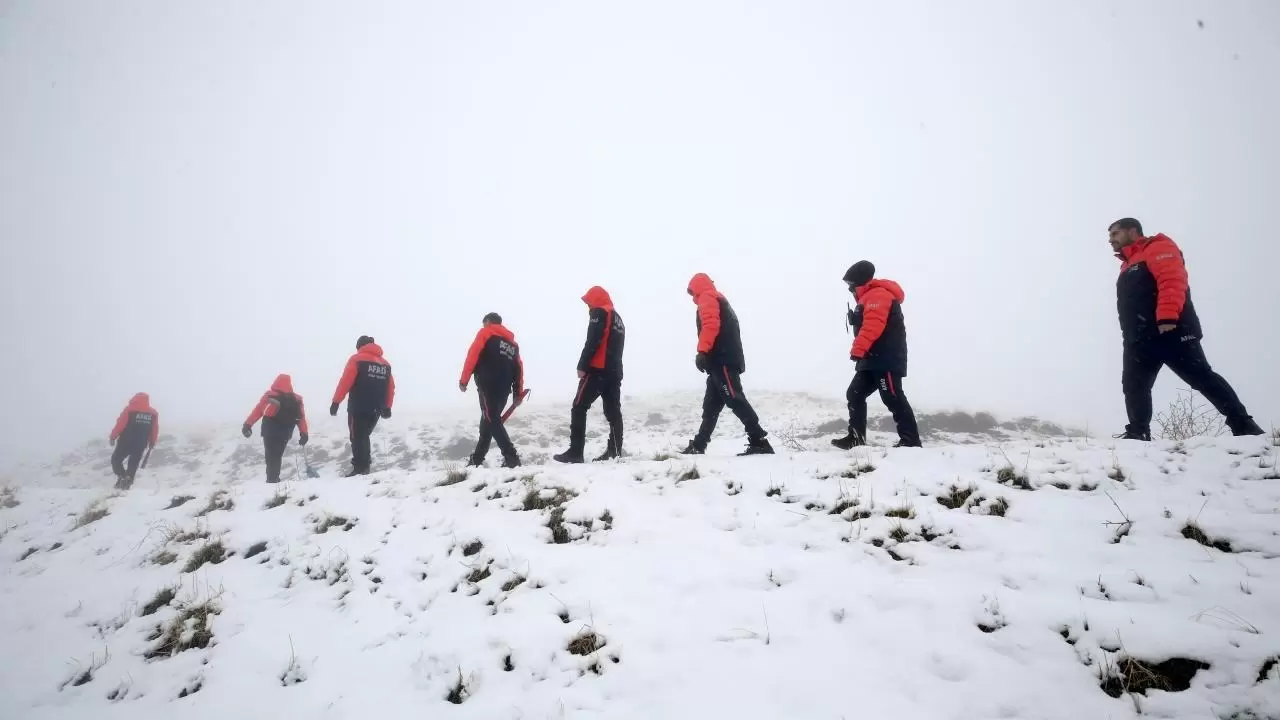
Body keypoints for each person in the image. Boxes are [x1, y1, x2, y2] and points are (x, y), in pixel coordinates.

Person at [1108, 218, 1264, 440]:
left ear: (1132, 231)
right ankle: (1138, 433)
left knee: (1201, 377)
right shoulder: (1128, 263)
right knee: (1133, 385)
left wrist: (1168, 317)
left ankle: (1244, 426)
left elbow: (1171, 281)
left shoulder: (1158, 248)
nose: (1111, 240)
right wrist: (1130, 335)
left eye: (1115, 234)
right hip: (1139, 338)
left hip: (1170, 331)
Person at [680, 273, 773, 456]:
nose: (692, 297)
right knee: (711, 406)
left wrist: (702, 351)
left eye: (692, 292)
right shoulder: (719, 299)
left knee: (734, 398)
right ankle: (699, 445)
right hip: (720, 360)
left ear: (697, 287)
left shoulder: (708, 297)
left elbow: (711, 324)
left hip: (722, 359)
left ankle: (759, 441)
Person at [832, 261, 922, 449]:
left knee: (892, 396)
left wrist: (858, 349)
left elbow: (874, 325)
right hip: (872, 358)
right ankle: (855, 438)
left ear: (859, 281)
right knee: (854, 393)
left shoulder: (878, 295)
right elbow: (869, 323)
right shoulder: (867, 298)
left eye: (850, 283)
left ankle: (911, 441)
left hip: (885, 358)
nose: (849, 288)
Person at [555, 286, 626, 463]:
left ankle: (576, 452)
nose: (588, 307)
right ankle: (614, 451)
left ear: (595, 299)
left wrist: (582, 365)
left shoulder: (600, 312)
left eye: (588, 302)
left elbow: (593, 339)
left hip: (597, 370)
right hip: (615, 372)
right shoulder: (619, 319)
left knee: (579, 407)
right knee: (613, 413)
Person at [459, 313, 524, 468]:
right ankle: (477, 460)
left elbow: (472, 355)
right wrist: (517, 392)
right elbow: (519, 368)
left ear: (488, 322)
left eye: (484, 324)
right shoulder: (513, 344)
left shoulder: (486, 333)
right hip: (504, 388)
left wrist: (464, 380)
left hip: (487, 383)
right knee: (488, 421)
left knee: (491, 418)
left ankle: (511, 457)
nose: (483, 326)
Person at [330, 336, 395, 476]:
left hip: (358, 407)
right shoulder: (385, 364)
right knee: (363, 436)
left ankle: (360, 468)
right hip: (376, 409)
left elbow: (345, 381)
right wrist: (387, 407)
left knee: (357, 436)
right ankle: (364, 467)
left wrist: (336, 402)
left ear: (360, 346)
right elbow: (391, 387)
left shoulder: (356, 359)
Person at [243, 374, 310, 483]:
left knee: (271, 456)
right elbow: (301, 418)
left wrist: (248, 424)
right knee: (277, 454)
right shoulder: (296, 400)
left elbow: (258, 410)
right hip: (285, 432)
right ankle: (274, 478)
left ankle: (272, 479)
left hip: (270, 430)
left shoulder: (270, 395)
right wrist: (304, 433)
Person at [109, 392, 159, 489]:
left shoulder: (129, 410)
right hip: (141, 443)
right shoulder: (153, 413)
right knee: (134, 462)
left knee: (116, 459)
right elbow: (154, 428)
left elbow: (120, 424)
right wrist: (152, 441)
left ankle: (122, 476)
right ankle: (128, 480)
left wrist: (113, 436)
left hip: (126, 441)